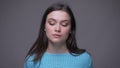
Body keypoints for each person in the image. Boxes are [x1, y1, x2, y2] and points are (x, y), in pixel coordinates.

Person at [24, 2, 93, 68]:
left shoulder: (84, 59)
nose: (57, 29)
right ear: (44, 27)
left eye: (64, 24)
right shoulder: (31, 61)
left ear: (71, 29)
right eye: (52, 23)